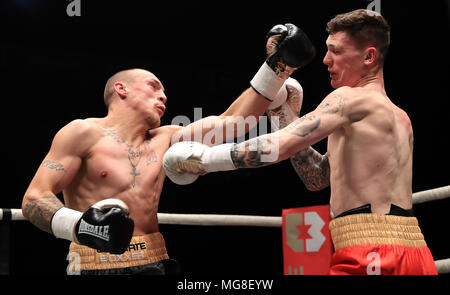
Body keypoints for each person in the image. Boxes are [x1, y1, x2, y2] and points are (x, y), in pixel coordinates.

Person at [21, 23, 315, 275]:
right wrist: (81, 227)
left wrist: (279, 66)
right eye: (153, 86)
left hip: (154, 261)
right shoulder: (81, 132)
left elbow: (234, 123)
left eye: (164, 91)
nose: (163, 95)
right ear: (121, 89)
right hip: (92, 261)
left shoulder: (167, 138)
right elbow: (34, 199)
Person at [163, 9, 438, 275]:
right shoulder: (399, 117)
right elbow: (317, 178)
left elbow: (279, 147)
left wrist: (205, 160)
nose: (326, 60)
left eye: (336, 51)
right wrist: (284, 113)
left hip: (373, 252)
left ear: (368, 56)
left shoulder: (349, 98)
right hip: (414, 252)